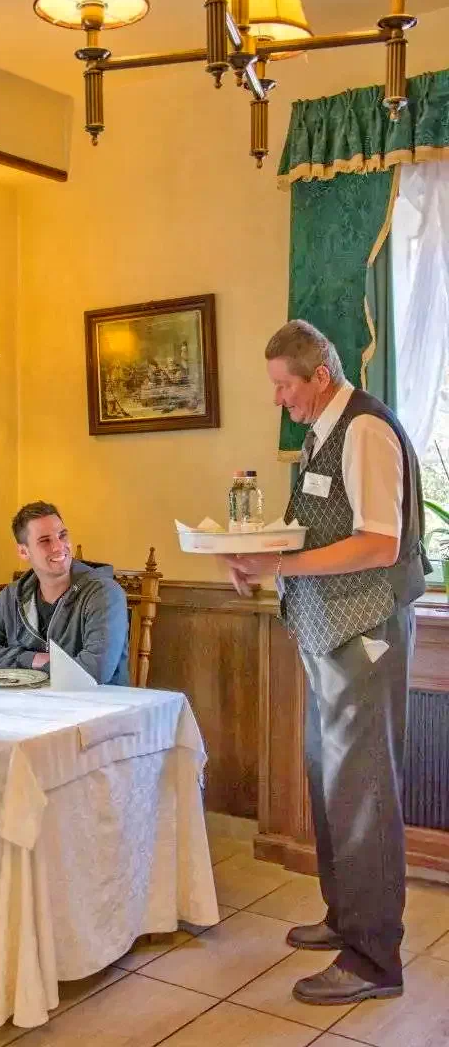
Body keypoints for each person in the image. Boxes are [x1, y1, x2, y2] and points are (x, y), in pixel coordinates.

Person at [225, 320, 429, 1006]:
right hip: (328, 636)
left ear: (320, 375)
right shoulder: (322, 433)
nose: (278, 399)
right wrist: (258, 557)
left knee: (363, 793)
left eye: (285, 385)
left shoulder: (365, 429)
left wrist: (279, 566)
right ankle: (346, 918)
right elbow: (322, 529)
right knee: (331, 782)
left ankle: (373, 959)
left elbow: (378, 543)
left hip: (365, 633)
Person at [0, 501, 129, 685]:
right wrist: (32, 659)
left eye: (62, 535)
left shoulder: (104, 593)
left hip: (96, 701)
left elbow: (94, 671)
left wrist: (28, 665)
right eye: (45, 541)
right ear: (24, 552)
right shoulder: (12, 596)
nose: (58, 547)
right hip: (30, 699)